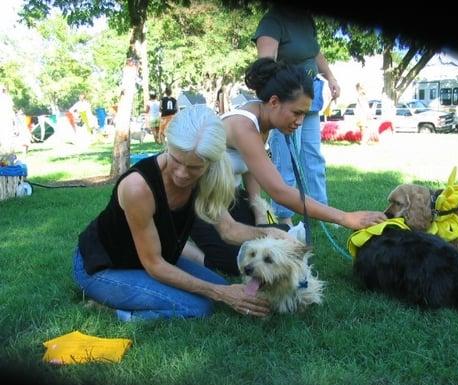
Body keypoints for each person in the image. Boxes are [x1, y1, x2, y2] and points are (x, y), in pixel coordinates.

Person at [72, 104, 293, 321]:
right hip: (105, 266)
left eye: (194, 167)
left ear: (210, 163)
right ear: (168, 145)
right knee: (199, 307)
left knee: (221, 288)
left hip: (155, 259)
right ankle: (112, 309)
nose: (181, 174)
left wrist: (272, 232)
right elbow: (154, 265)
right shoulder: (138, 188)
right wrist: (218, 293)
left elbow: (229, 230)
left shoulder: (209, 176)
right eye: (176, 160)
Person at [190, 58, 386, 275]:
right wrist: (345, 217)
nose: (301, 121)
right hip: (199, 201)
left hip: (227, 197)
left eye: (304, 113)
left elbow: (250, 169)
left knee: (282, 235)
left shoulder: (262, 120)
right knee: (235, 261)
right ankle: (184, 247)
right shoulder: (243, 125)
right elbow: (280, 192)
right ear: (274, 102)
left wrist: (259, 212)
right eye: (297, 112)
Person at [253, 4, 341, 226]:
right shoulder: (272, 21)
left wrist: (331, 77)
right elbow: (265, 64)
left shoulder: (306, 20)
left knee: (313, 157)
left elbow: (315, 52)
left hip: (309, 98)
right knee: (286, 159)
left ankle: (321, 211)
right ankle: (284, 216)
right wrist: (279, 99)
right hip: (286, 102)